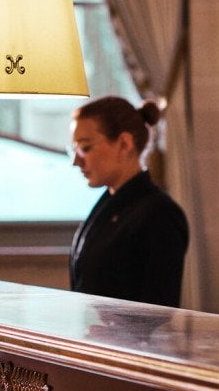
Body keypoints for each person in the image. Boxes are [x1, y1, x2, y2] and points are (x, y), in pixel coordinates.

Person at [69, 97, 189, 307]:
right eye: (75, 149)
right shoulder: (108, 204)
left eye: (85, 148)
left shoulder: (160, 214)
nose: (76, 161)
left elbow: (159, 310)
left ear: (124, 143)